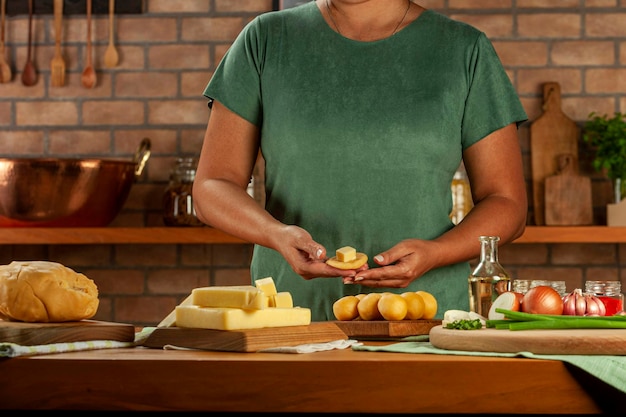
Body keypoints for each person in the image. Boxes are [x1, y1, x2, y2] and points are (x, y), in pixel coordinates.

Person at [192, 0, 528, 321]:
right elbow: (211, 187)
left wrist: (436, 253)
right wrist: (275, 234)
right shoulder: (264, 40)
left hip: (425, 319)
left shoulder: (465, 49)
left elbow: (507, 202)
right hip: (289, 319)